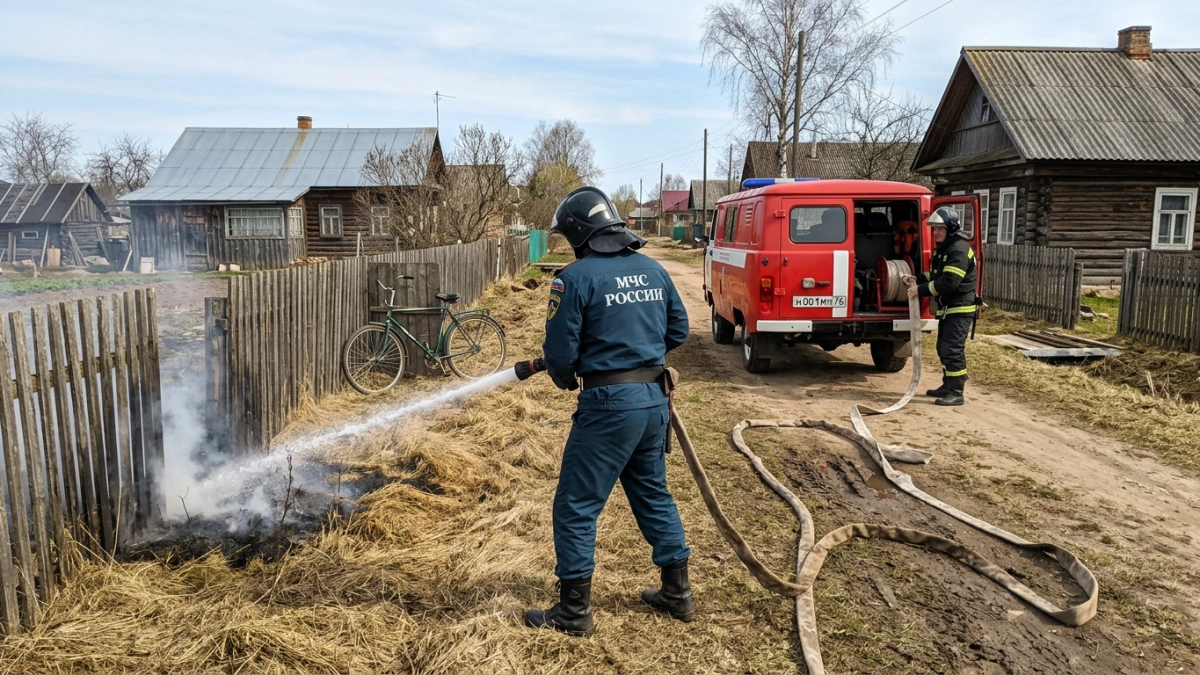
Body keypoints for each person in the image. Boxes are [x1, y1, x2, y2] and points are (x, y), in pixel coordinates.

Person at [522, 186, 693, 636]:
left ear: (579, 234)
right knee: (653, 493)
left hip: (607, 408)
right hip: (653, 402)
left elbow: (560, 359)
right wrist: (640, 353)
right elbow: (679, 329)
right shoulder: (654, 270)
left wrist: (575, 371)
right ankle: (678, 594)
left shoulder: (572, 278)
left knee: (576, 505)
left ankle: (573, 612)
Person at [905, 206, 977, 406]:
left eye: (940, 229)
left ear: (951, 229)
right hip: (949, 308)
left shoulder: (959, 249)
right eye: (934, 228)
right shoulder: (944, 249)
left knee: (952, 349)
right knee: (943, 348)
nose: (935, 232)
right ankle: (947, 385)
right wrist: (917, 279)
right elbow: (936, 276)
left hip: (961, 308)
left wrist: (920, 290)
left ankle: (956, 392)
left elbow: (950, 281)